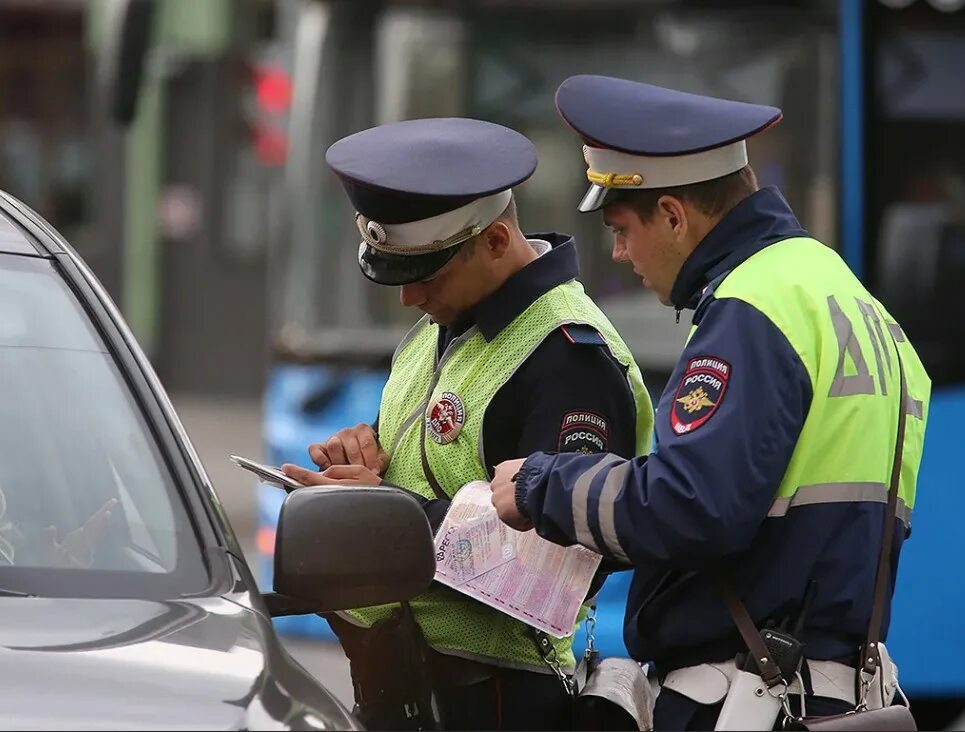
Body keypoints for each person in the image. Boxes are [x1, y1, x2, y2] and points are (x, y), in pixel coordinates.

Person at [489, 75, 932, 730]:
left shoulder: (751, 307)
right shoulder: (843, 294)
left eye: (620, 228)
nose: (617, 252)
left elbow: (690, 505)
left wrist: (538, 484)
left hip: (746, 700)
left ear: (672, 215)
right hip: (833, 691)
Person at [280, 117, 655, 731]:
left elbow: (554, 565)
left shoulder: (569, 358)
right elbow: (429, 462)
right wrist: (365, 451)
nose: (408, 299)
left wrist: (382, 518)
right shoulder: (441, 324)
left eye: (426, 275)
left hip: (496, 702)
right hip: (401, 691)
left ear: (497, 242)